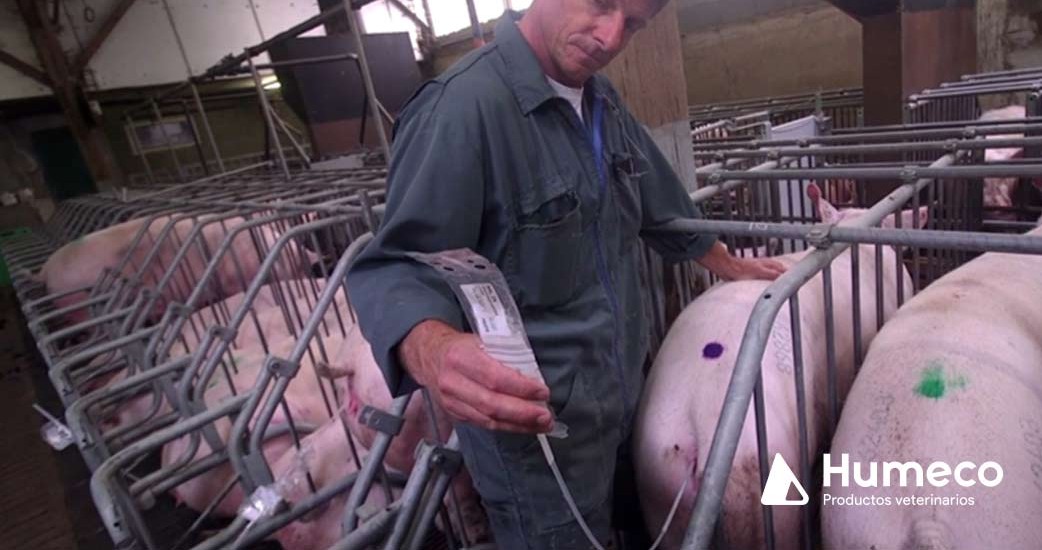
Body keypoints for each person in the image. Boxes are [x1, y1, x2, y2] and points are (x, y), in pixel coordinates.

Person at [346, 1, 786, 547]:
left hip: (624, 398)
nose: (610, 36)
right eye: (602, 4)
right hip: (539, 440)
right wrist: (431, 348)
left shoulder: (601, 101)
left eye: (634, 24)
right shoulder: (462, 109)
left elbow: (652, 194)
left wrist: (724, 261)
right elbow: (394, 266)